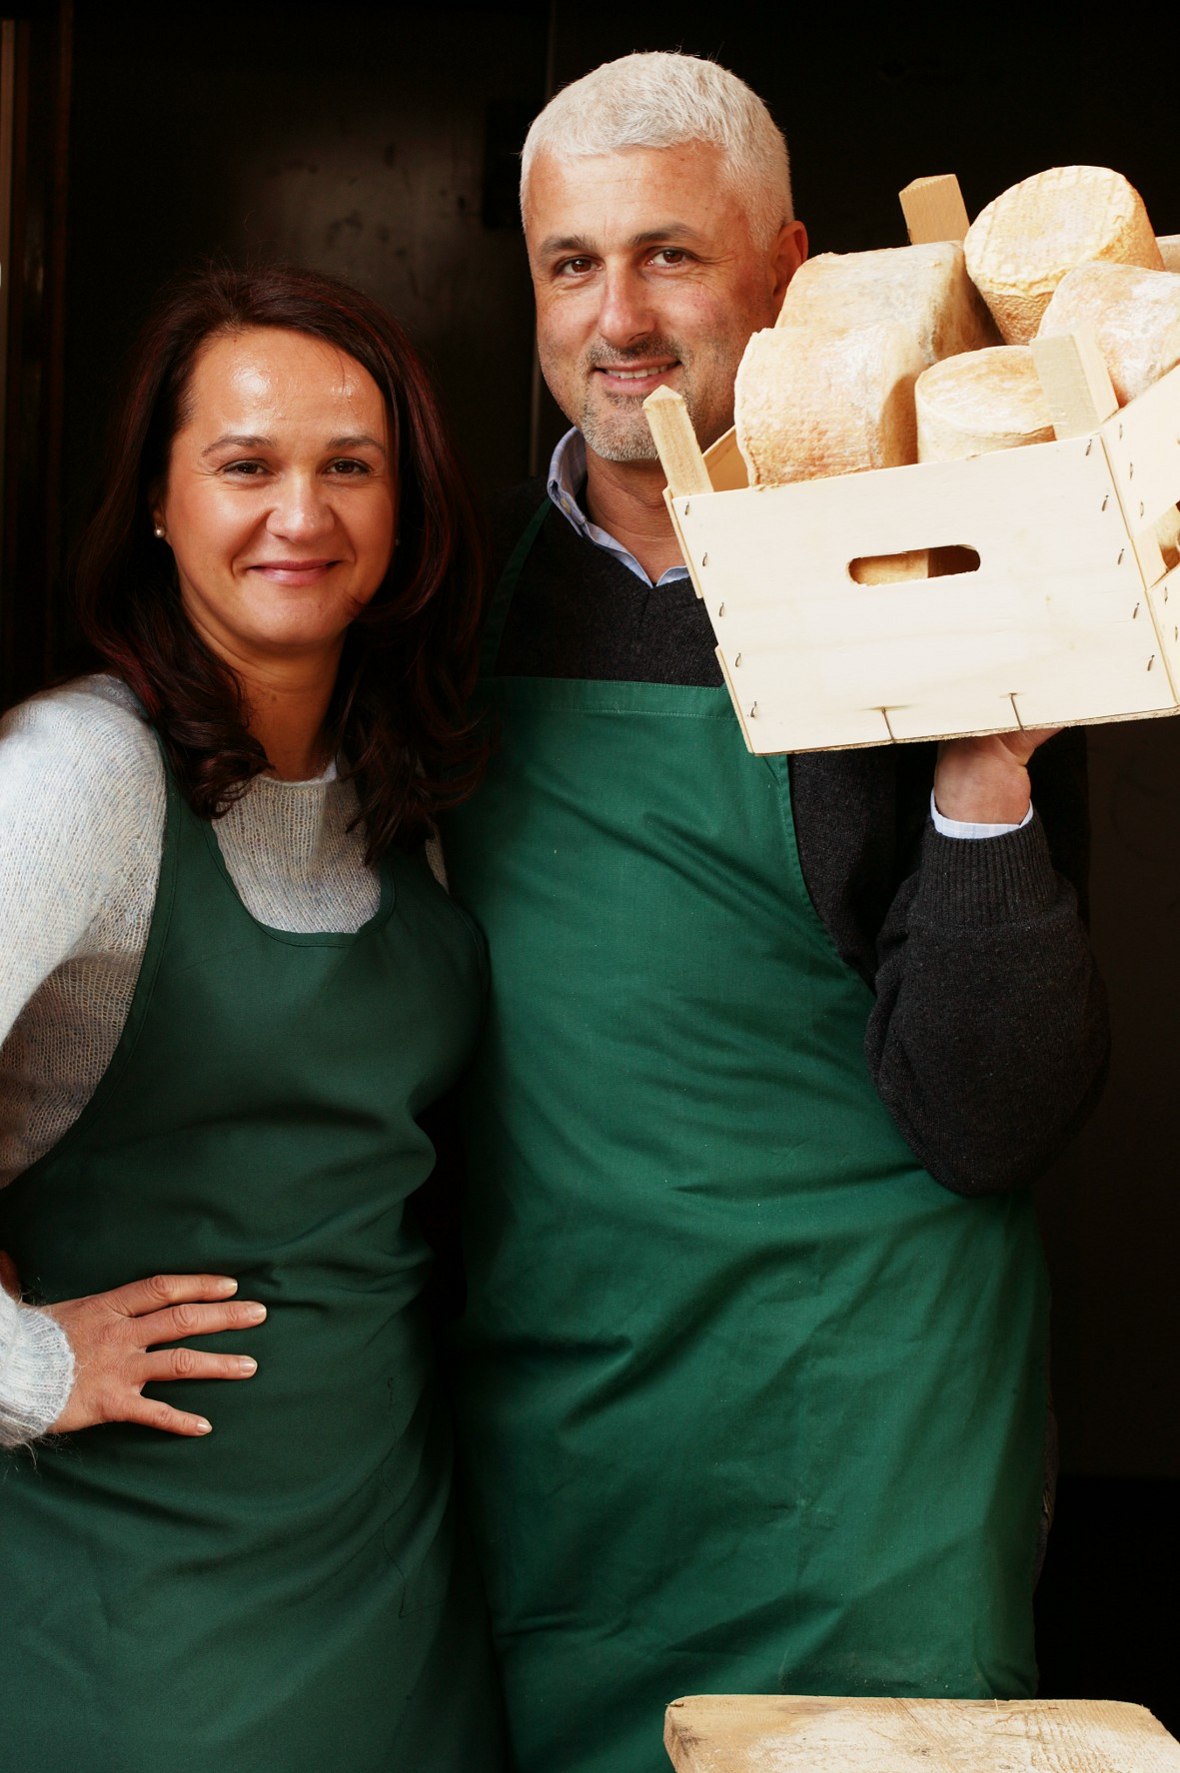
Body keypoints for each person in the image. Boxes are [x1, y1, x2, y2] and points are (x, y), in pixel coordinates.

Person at [439, 51, 1111, 1773]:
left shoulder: (944, 576)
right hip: (567, 1424)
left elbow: (997, 1116)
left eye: (671, 254)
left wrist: (985, 767)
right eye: (573, 263)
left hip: (868, 1438)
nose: (618, 318)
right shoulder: (443, 607)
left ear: (791, 268)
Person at [0, 264, 508, 1770]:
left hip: (391, 1575)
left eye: (350, 466)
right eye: (244, 465)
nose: (302, 513)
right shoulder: (78, 778)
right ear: (158, 504)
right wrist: (31, 1369)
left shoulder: (406, 788)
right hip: (126, 1605)